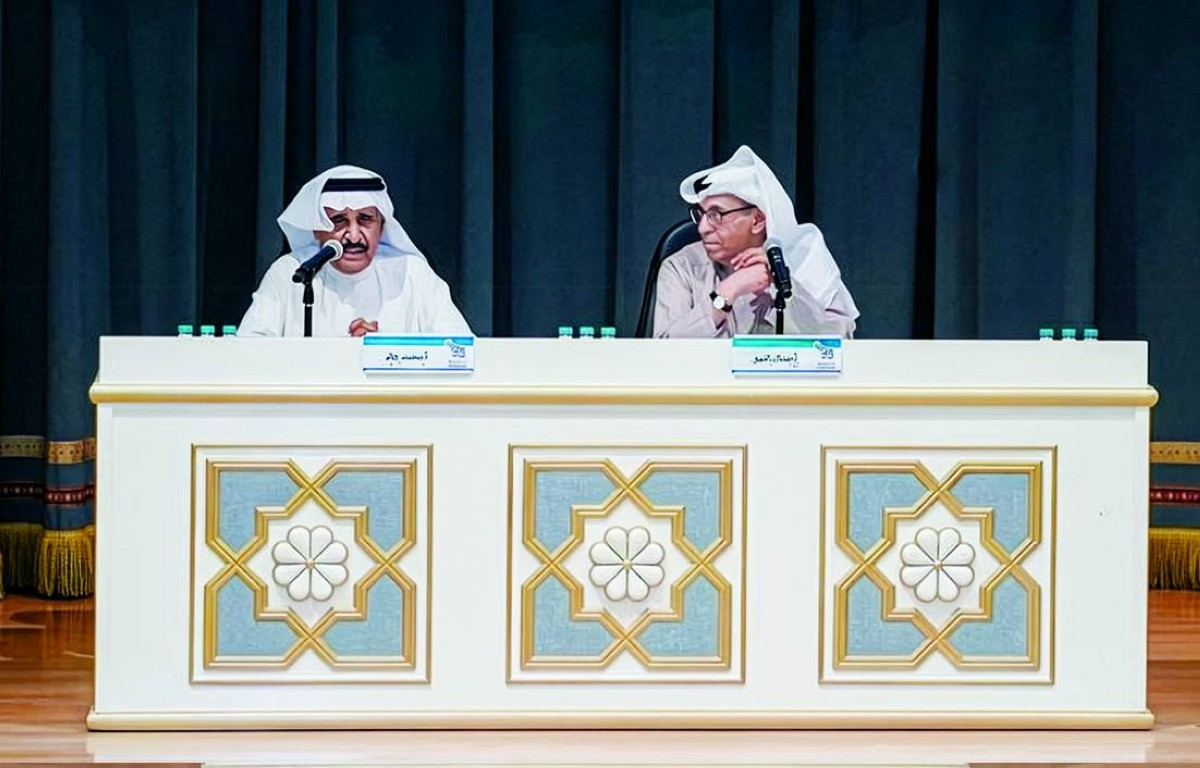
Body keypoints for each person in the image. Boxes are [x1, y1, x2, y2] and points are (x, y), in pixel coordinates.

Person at [238, 165, 471, 337]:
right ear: (317, 230)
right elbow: (250, 348)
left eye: (365, 219)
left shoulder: (412, 274)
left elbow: (460, 349)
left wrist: (382, 350)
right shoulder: (291, 273)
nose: (353, 236)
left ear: (381, 227)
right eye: (339, 220)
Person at [653, 146, 858, 338]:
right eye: (701, 214)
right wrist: (726, 293)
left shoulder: (803, 259)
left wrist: (786, 289)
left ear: (758, 220)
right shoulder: (682, 266)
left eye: (716, 215)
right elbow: (663, 348)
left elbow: (841, 339)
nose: (702, 228)